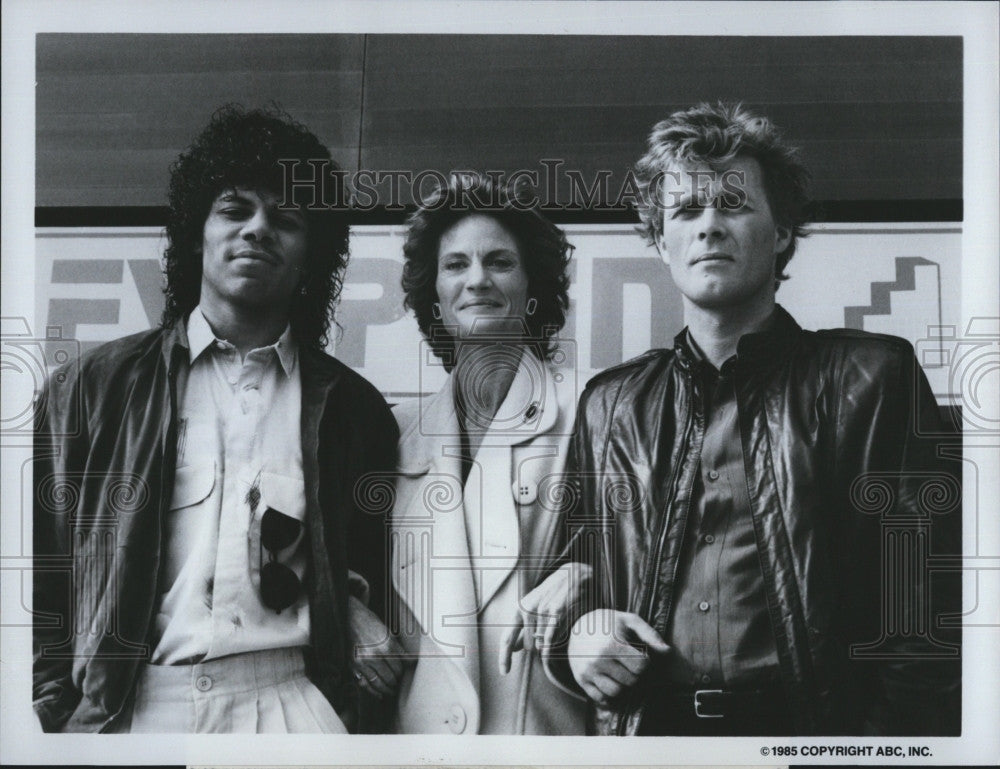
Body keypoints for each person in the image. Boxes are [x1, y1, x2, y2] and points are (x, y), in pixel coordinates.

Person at [550, 103, 961, 736]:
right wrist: (578, 635)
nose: (709, 226)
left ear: (784, 231)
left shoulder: (874, 376)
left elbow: (924, 606)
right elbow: (570, 581)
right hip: (650, 735)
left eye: (734, 205)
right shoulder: (610, 403)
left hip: (813, 733)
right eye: (686, 211)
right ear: (661, 242)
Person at [32, 105, 398, 733]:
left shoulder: (353, 408)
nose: (258, 229)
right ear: (195, 231)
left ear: (313, 252)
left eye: (285, 218)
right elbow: (45, 578)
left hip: (289, 705)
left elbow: (366, 571)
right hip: (133, 708)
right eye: (236, 210)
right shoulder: (91, 388)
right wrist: (58, 720)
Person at [389, 173, 588, 734]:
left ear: (533, 288)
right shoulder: (395, 433)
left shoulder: (592, 414)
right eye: (455, 265)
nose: (477, 280)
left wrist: (586, 575)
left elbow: (648, 560)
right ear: (433, 293)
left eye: (499, 262)